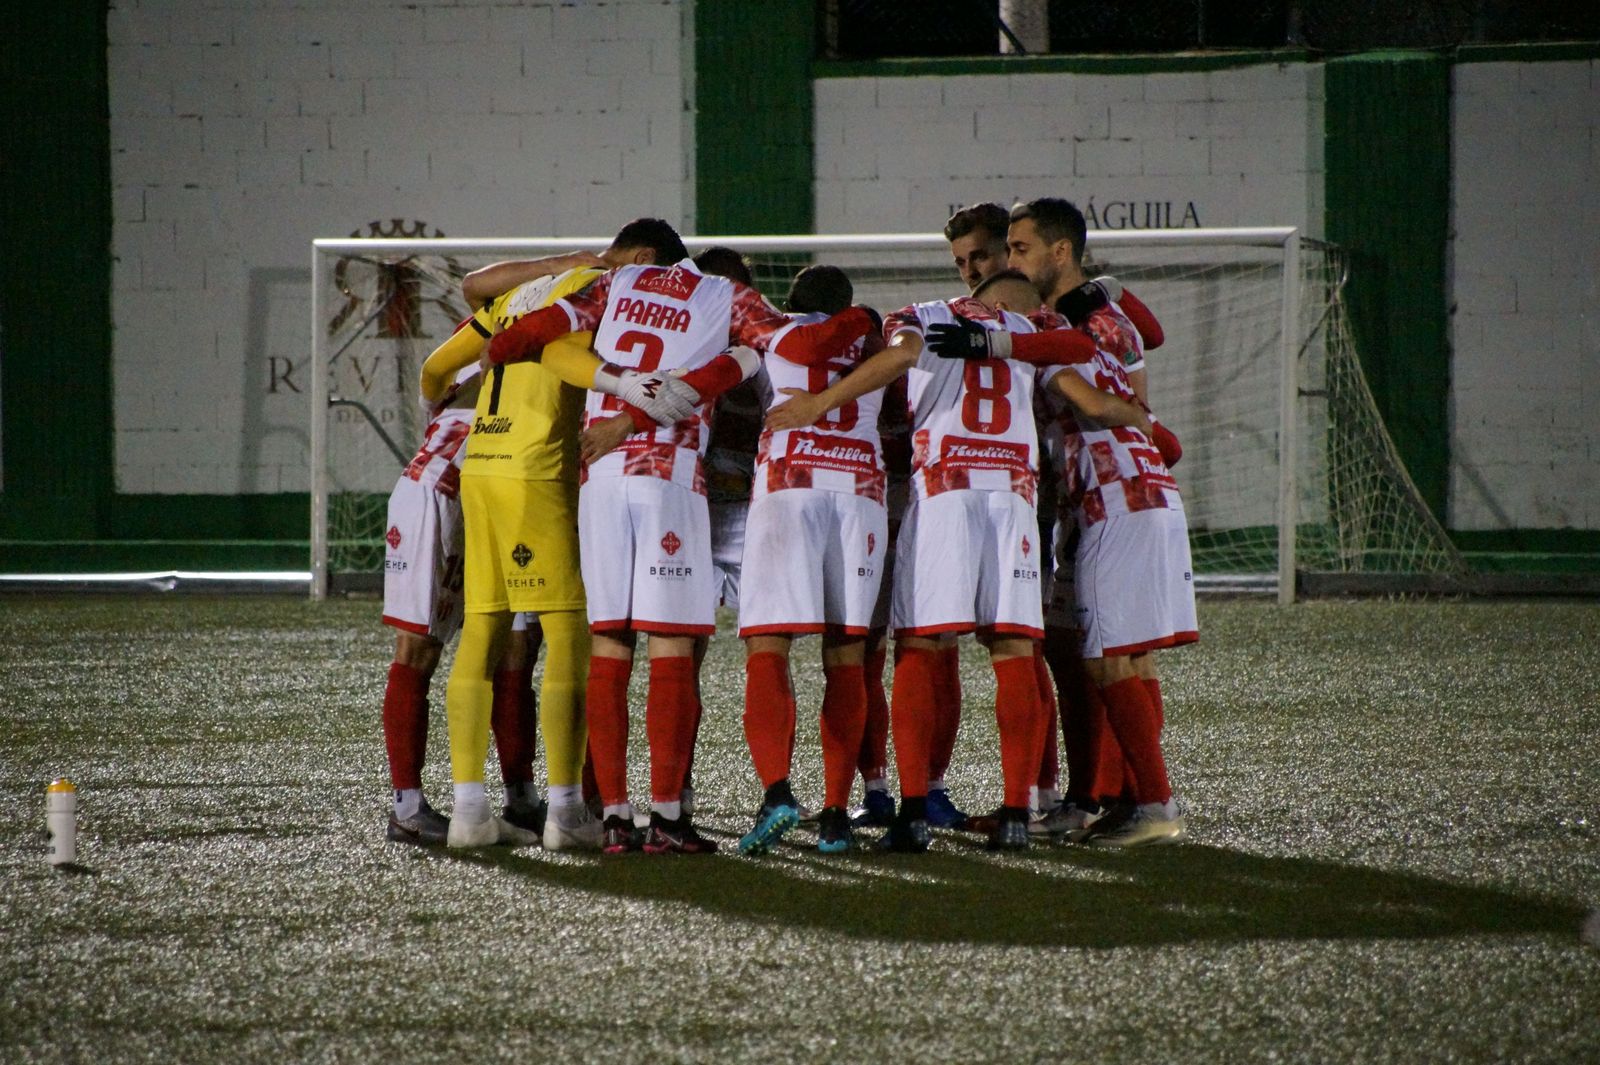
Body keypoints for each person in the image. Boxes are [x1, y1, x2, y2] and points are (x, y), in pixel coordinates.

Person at [489, 220, 878, 855]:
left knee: (609, 645)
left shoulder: (617, 280)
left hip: (599, 479)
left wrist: (570, 376)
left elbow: (530, 337)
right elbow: (804, 346)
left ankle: (613, 817)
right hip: (670, 480)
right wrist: (857, 318)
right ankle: (668, 817)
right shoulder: (728, 296)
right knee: (672, 647)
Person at [767, 269, 1148, 851]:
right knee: (1016, 650)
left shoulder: (923, 312)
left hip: (945, 491)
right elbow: (1079, 354)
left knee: (922, 645)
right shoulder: (1032, 332)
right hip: (1014, 495)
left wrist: (820, 402)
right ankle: (1018, 813)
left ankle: (914, 811)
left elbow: (900, 359)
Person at [417, 228, 698, 851]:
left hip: (481, 467)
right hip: (535, 469)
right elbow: (555, 356)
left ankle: (468, 811)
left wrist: (443, 413)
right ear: (646, 261)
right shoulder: (597, 286)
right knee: (571, 628)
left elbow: (436, 368)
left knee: (484, 627)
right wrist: (625, 384)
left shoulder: (520, 293)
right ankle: (567, 812)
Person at [1005, 197, 1196, 846]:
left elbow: (1094, 395)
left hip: (1115, 502)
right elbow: (1143, 359)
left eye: (1020, 247)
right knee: (1130, 658)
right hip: (1144, 496)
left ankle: (1156, 806)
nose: (1011, 260)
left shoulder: (1067, 331)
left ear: (1060, 251)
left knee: (1111, 657)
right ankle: (1130, 798)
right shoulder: (1104, 322)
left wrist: (1136, 418)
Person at [732, 265, 887, 857]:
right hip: (860, 493)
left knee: (768, 644)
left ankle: (776, 792)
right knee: (846, 655)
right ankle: (836, 815)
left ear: (791, 299)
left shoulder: (773, 330)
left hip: (790, 485)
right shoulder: (879, 342)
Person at [379, 345, 544, 844]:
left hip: (503, 502)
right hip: (437, 498)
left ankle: (521, 799)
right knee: (419, 649)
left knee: (520, 645)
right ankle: (406, 808)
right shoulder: (477, 364)